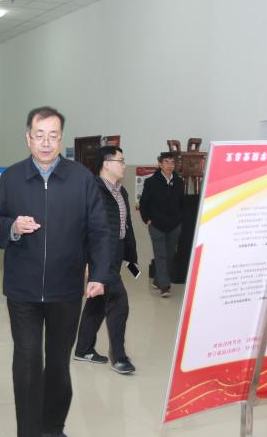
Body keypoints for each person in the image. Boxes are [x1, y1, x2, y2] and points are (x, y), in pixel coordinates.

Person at [0, 106, 110, 437]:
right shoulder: (12, 177)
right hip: (22, 290)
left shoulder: (81, 179)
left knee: (58, 362)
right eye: (39, 135)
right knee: (27, 364)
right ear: (28, 137)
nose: (45, 142)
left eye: (53, 135)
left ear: (61, 139)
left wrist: (99, 273)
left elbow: (98, 230)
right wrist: (12, 226)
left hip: (65, 289)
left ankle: (52, 424)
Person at [74, 146, 138, 374]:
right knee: (119, 302)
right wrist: (87, 261)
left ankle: (83, 349)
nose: (124, 165)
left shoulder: (122, 192)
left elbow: (125, 226)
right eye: (121, 161)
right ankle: (119, 357)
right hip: (99, 255)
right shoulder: (92, 190)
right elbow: (83, 228)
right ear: (107, 163)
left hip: (116, 252)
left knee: (98, 302)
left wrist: (131, 256)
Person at [139, 151, 184, 298]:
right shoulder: (151, 182)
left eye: (172, 162)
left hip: (174, 226)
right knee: (161, 255)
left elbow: (181, 203)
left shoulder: (179, 181)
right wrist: (147, 219)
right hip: (156, 225)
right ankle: (165, 286)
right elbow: (143, 203)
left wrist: (180, 219)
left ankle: (158, 279)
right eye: (166, 162)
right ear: (160, 164)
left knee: (169, 255)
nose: (170, 165)